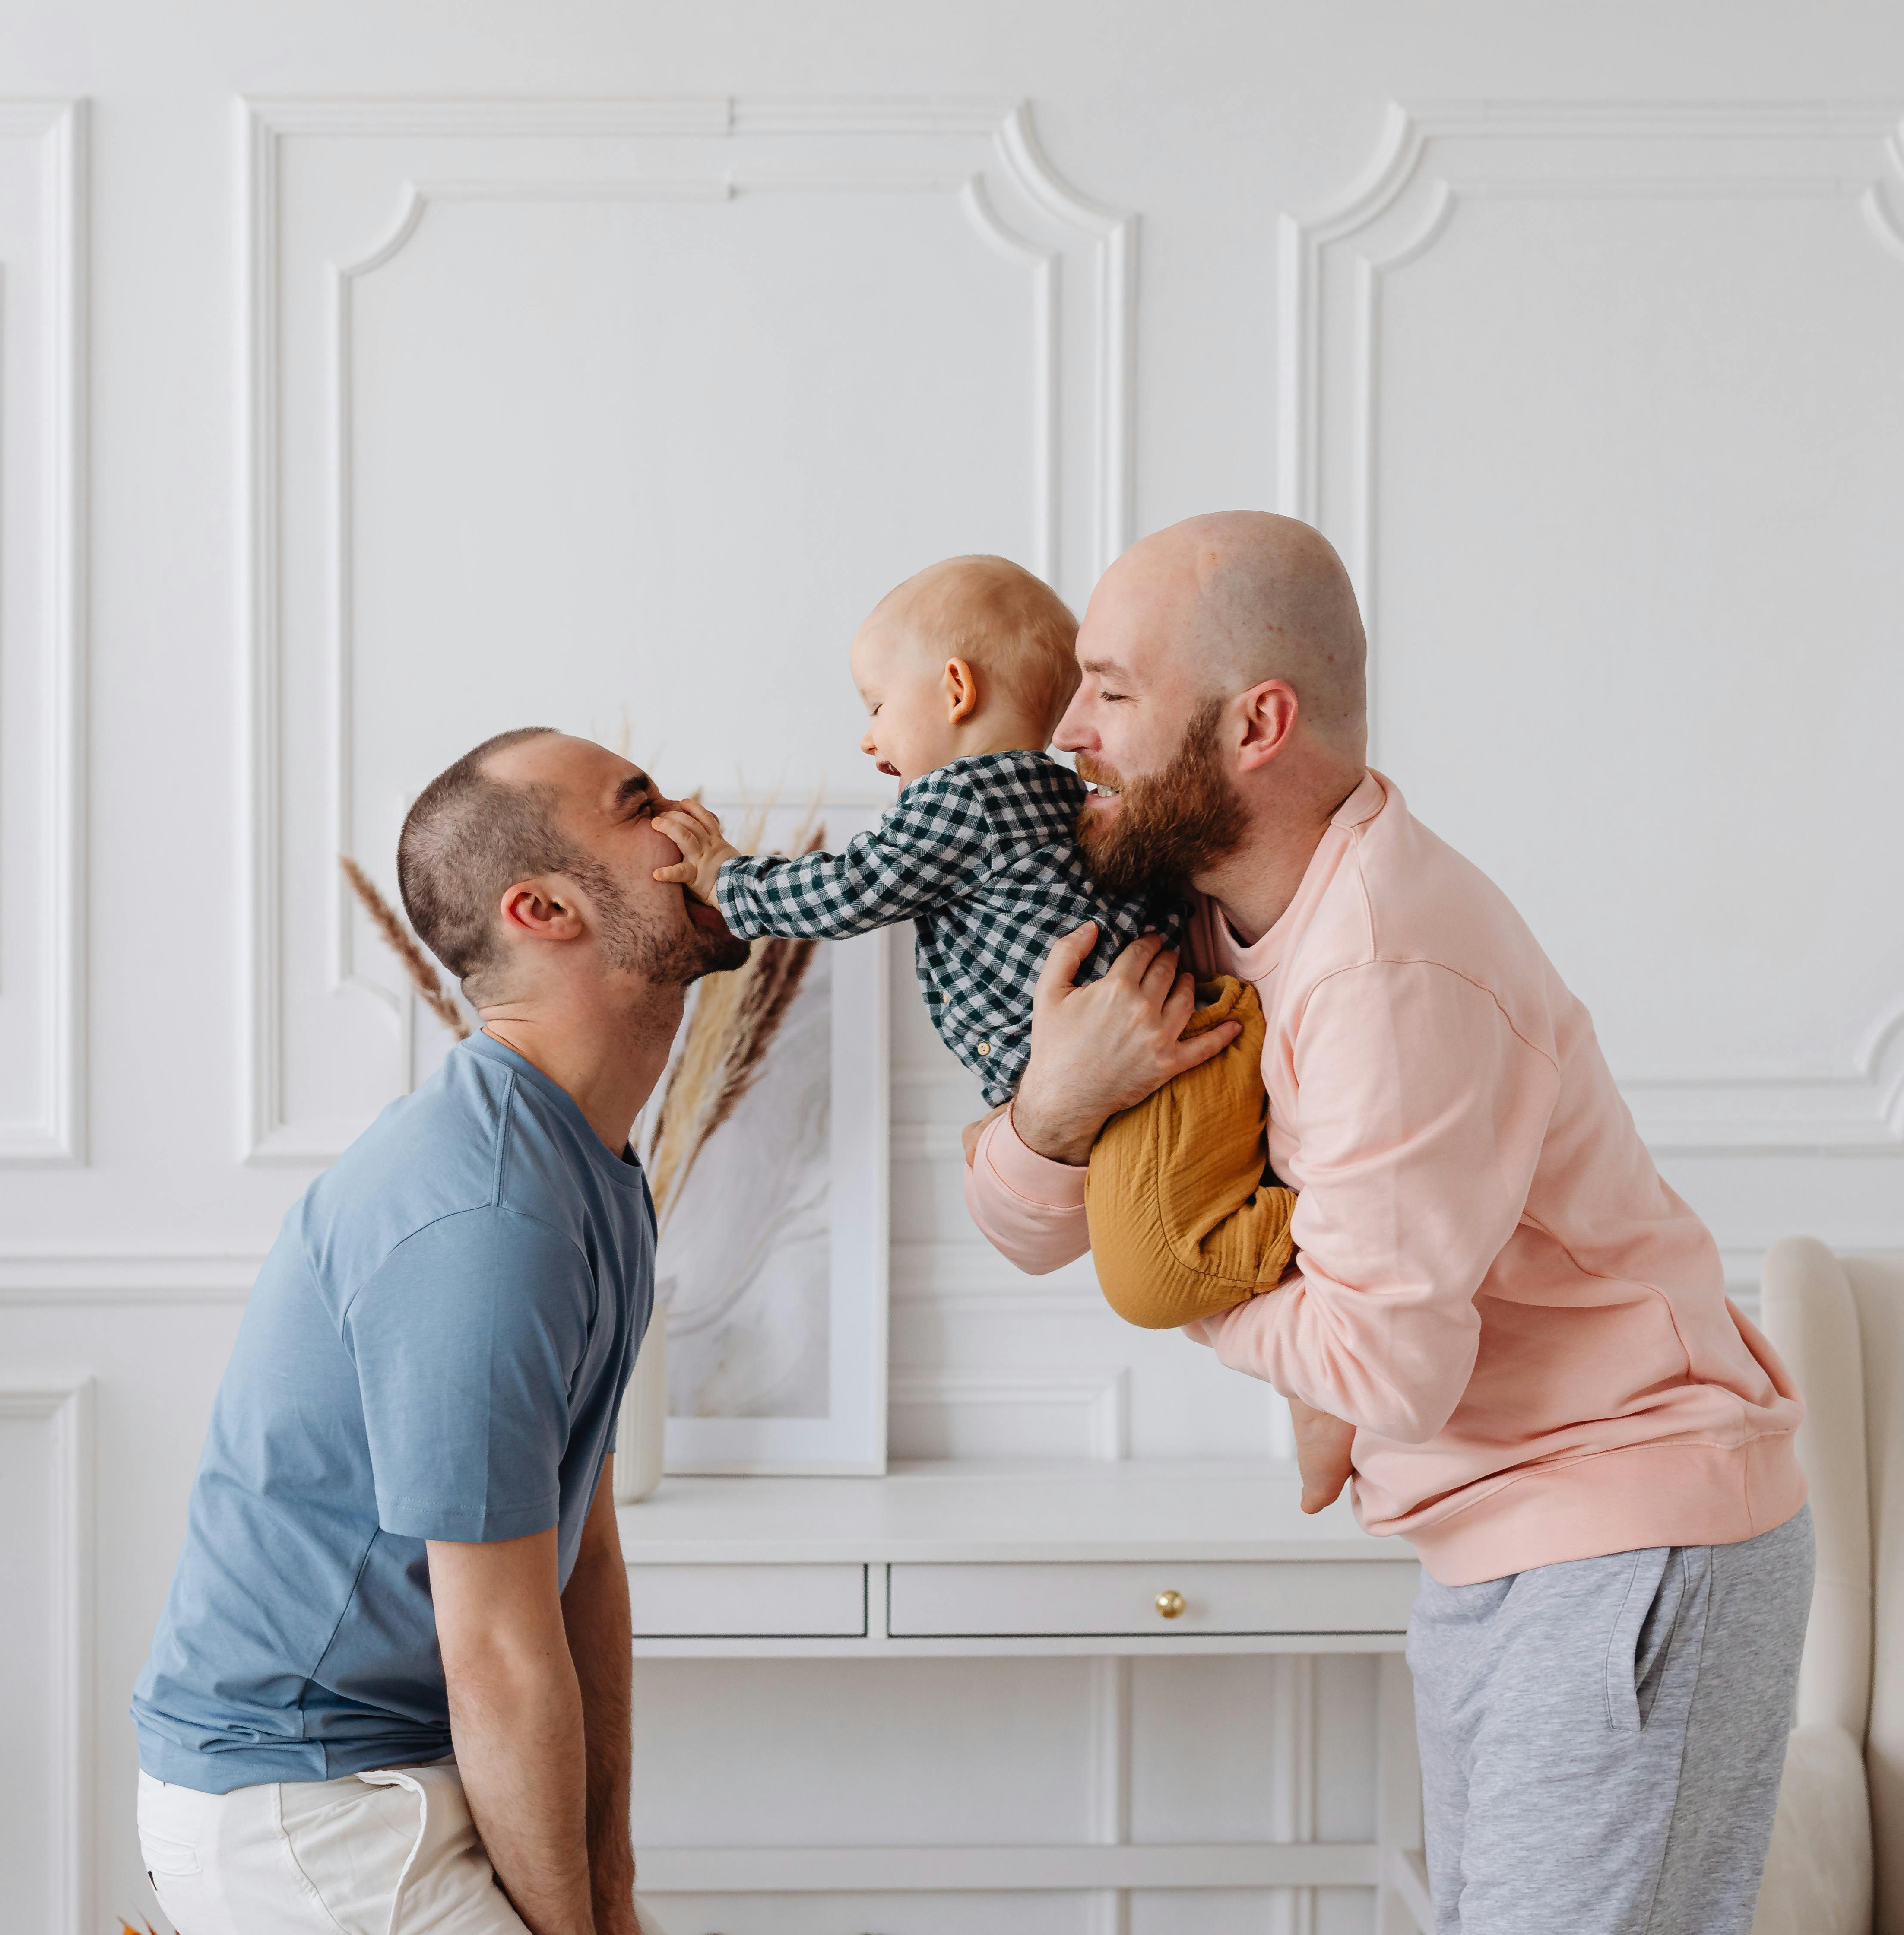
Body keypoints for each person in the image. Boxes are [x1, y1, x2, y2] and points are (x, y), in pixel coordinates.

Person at [960, 512, 1814, 1935]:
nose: (1069, 730)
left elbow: (1385, 1369)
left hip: (1629, 1530)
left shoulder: (1384, 964)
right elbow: (1024, 1231)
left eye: (1110, 688)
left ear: (1257, 725)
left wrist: (1174, 1271)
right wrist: (1057, 1109)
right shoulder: (1189, 923)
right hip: (1489, 1535)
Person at [131, 729, 736, 1935]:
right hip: (304, 1802)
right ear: (545, 908)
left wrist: (610, 1893)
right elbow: (501, 1652)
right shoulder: (489, 1212)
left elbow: (585, 1562)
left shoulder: (588, 1165)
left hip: (417, 1759)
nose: (695, 816)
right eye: (643, 804)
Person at [653, 552, 1304, 1339]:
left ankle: (1315, 1241)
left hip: (1158, 1078)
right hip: (1178, 1051)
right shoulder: (1075, 796)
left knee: (1160, 1280)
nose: (867, 739)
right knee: (1152, 1235)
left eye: (876, 705)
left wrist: (729, 878)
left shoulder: (958, 801)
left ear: (957, 690)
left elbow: (849, 890)